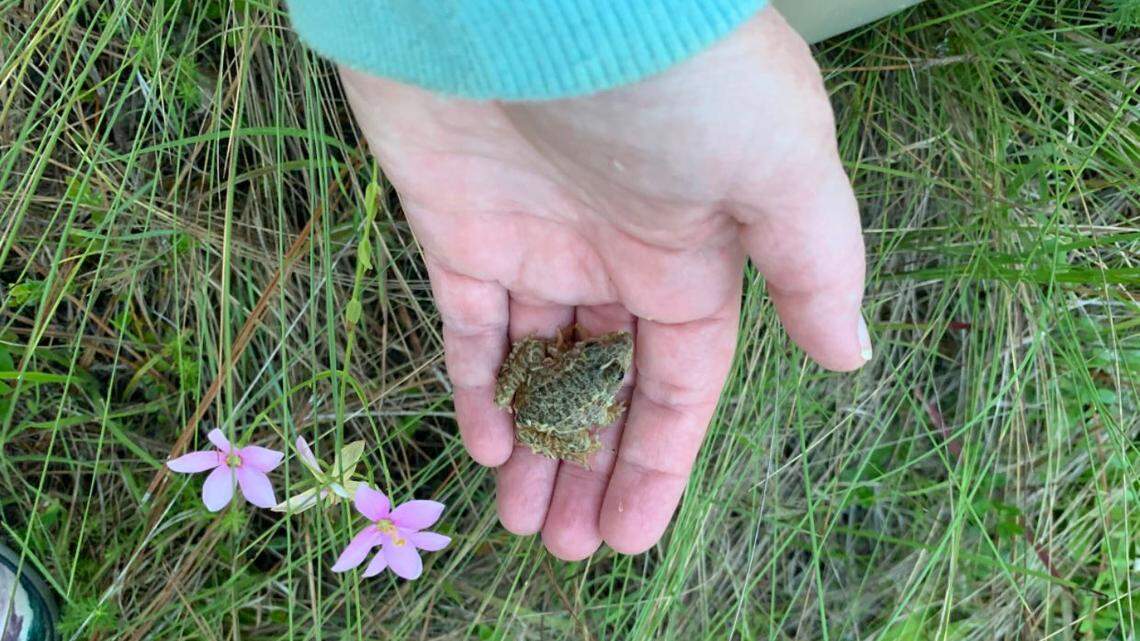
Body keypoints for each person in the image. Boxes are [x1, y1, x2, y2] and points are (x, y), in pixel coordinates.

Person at [286, 0, 882, 560]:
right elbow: (588, 406)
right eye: (611, 360)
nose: (615, 355)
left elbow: (575, 386)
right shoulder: (595, 378)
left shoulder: (589, 372)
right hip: (548, 398)